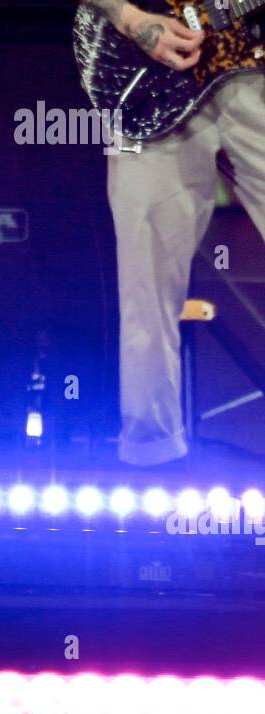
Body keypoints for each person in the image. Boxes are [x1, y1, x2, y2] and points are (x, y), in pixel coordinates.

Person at [87, 1, 265, 465]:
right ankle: (152, 458)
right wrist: (131, 18)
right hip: (149, 70)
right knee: (146, 282)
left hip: (256, 71)